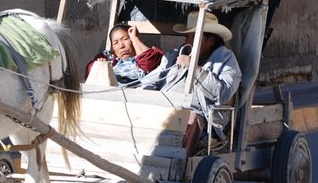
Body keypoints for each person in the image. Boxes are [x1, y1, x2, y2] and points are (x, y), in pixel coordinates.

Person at [141, 11, 241, 155]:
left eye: (193, 37)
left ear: (210, 41)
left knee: (189, 120)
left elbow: (223, 93)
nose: (187, 41)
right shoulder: (176, 54)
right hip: (166, 107)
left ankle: (176, 165)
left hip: (200, 115)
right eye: (187, 36)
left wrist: (194, 69)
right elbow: (149, 80)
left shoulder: (227, 60)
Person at [85, 23, 164, 85]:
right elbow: (91, 75)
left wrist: (135, 38)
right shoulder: (109, 59)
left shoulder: (153, 53)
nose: (121, 46)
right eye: (115, 43)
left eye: (125, 39)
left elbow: (148, 63)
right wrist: (100, 65)